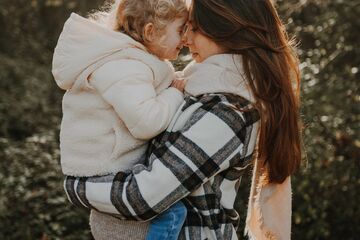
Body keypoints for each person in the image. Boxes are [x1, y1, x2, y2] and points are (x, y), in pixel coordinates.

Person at [64, 0, 302, 239]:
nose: (186, 40)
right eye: (185, 28)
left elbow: (144, 196)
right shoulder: (202, 87)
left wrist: (76, 187)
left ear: (226, 30)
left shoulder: (230, 111)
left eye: (194, 28)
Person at [52, 0, 190, 239]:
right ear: (150, 32)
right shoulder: (126, 66)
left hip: (102, 165)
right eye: (180, 30)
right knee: (172, 212)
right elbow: (146, 121)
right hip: (103, 167)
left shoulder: (129, 60)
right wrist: (175, 93)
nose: (186, 38)